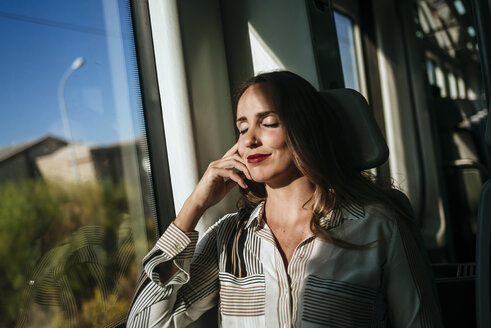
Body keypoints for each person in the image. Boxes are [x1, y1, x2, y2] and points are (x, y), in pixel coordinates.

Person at [127, 71, 443, 327]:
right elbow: (144, 323)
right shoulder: (229, 238)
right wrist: (192, 208)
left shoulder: (377, 225)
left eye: (268, 123)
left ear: (304, 129)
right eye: (242, 127)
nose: (249, 139)